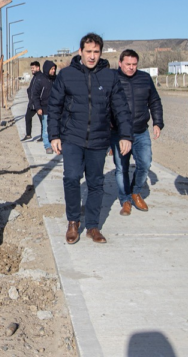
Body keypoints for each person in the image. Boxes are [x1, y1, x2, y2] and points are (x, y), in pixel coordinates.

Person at [48, 33, 132, 245]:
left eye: (96, 52)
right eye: (88, 52)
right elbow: (54, 107)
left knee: (96, 183)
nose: (92, 56)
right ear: (80, 52)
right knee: (71, 178)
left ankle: (93, 226)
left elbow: (121, 108)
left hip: (98, 139)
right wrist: (54, 135)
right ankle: (73, 222)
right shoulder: (66, 75)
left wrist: (125, 135)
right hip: (72, 138)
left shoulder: (110, 77)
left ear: (100, 53)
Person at [111, 50, 164, 216]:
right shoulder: (112, 78)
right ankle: (125, 200)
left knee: (145, 163)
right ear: (120, 63)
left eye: (134, 64)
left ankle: (135, 191)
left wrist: (157, 122)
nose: (131, 68)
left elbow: (154, 101)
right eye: (128, 64)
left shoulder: (144, 78)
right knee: (121, 168)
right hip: (119, 133)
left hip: (141, 131)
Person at [30, 60, 56, 154]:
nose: (53, 71)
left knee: (56, 127)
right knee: (46, 128)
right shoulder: (41, 80)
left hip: (55, 109)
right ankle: (47, 146)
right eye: (51, 69)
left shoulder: (56, 80)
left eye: (54, 69)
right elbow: (35, 95)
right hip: (45, 109)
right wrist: (38, 107)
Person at [21, 61, 42, 142]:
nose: (32, 70)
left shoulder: (41, 77)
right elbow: (31, 89)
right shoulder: (34, 77)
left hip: (39, 104)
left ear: (38, 68)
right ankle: (28, 134)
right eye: (31, 68)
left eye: (33, 68)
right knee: (27, 117)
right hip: (32, 103)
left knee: (42, 120)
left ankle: (43, 136)